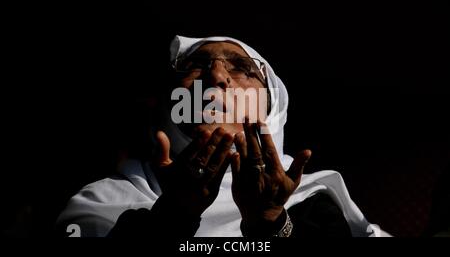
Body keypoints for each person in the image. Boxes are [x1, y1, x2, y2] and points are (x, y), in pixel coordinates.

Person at [56, 35, 389, 237]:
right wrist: (172, 215)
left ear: (271, 106)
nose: (216, 77)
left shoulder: (312, 201)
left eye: (241, 68)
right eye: (195, 66)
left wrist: (272, 221)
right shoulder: (106, 201)